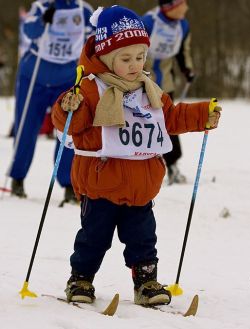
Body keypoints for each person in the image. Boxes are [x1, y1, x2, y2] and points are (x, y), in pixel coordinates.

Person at [51, 5, 221, 306]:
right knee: (93, 238)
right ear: (105, 57)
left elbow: (171, 117)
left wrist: (200, 115)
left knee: (143, 240)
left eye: (140, 57)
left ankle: (147, 282)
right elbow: (72, 126)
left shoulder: (149, 90)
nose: (135, 65)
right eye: (126, 59)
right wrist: (68, 106)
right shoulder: (91, 90)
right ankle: (81, 278)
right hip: (101, 184)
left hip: (141, 186)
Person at [9, 0, 94, 202]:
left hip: (65, 77)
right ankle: (17, 178)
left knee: (67, 130)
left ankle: (68, 184)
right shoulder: (42, 6)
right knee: (26, 128)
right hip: (35, 75)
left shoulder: (84, 10)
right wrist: (42, 20)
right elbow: (29, 30)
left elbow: (94, 41)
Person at [142, 0, 195, 185]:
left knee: (169, 123)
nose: (186, 8)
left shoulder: (183, 25)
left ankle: (171, 164)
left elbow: (182, 50)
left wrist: (187, 69)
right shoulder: (149, 22)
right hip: (142, 83)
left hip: (165, 83)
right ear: (170, 7)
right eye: (183, 4)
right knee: (143, 123)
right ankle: (140, 165)